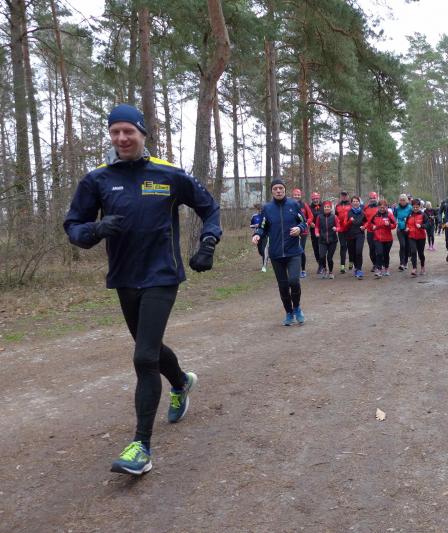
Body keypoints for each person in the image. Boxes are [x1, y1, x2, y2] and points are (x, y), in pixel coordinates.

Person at [63, 104, 221, 476]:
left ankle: (141, 447)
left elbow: (209, 207)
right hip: (124, 278)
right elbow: (73, 226)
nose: (122, 138)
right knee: (148, 348)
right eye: (115, 132)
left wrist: (208, 242)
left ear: (142, 134)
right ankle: (181, 382)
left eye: (129, 131)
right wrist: (95, 230)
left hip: (162, 275)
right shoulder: (97, 179)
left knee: (143, 357)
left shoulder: (168, 174)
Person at [252, 179, 308, 326]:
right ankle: (289, 313)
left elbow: (304, 222)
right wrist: (257, 235)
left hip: (293, 252)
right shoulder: (267, 208)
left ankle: (297, 308)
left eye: (281, 188)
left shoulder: (293, 205)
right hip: (276, 254)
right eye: (275, 188)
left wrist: (299, 228)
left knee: (294, 281)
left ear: (284, 190)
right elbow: (262, 227)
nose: (278, 191)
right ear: (272, 191)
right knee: (283, 286)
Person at [340, 195, 366, 279]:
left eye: (357, 201)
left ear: (359, 202)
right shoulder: (348, 213)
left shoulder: (362, 212)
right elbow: (344, 225)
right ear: (351, 203)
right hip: (350, 235)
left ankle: (359, 269)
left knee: (358, 251)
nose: (355, 203)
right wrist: (349, 222)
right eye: (354, 201)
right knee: (352, 253)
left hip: (360, 234)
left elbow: (367, 222)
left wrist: (364, 226)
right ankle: (356, 267)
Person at [369, 199, 397, 278]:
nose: (382, 209)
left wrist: (389, 225)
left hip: (388, 239)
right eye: (380, 207)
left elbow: (394, 225)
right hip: (377, 238)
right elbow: (369, 223)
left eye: (384, 207)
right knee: (379, 253)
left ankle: (386, 268)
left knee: (385, 254)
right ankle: (379, 269)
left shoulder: (389, 215)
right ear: (378, 207)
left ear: (386, 207)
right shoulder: (375, 215)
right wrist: (373, 226)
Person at [291, 188, 313, 278]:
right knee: (292, 250)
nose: (297, 196)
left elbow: (310, 216)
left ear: (301, 195)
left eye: (298, 195)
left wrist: (306, 224)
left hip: (302, 232)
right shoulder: (289, 204)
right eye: (295, 195)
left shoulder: (304, 205)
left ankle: (303, 270)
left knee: (301, 250)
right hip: (292, 231)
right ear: (292, 195)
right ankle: (294, 269)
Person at [314, 200, 338, 279]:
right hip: (322, 240)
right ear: (323, 208)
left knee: (329, 258)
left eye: (328, 207)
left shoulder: (334, 217)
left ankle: (331, 272)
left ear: (331, 208)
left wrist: (336, 229)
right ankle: (324, 269)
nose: (327, 208)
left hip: (332, 240)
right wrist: (317, 233)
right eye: (325, 207)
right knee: (322, 256)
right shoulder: (319, 217)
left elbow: (339, 226)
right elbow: (316, 227)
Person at [406, 198, 428, 276]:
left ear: (420, 207)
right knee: (413, 251)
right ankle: (414, 268)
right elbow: (407, 224)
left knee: (421, 253)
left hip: (421, 237)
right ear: (412, 207)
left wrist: (421, 226)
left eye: (417, 207)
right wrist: (407, 228)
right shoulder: (409, 215)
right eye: (414, 207)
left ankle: (422, 267)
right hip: (411, 236)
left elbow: (428, 225)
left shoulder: (423, 215)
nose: (415, 208)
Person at [393, 194, 412, 271]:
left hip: (408, 228)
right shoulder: (397, 208)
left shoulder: (410, 208)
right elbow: (394, 216)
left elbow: (413, 216)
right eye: (401, 200)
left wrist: (408, 221)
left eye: (404, 200)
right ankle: (401, 263)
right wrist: (395, 221)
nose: (402, 201)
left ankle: (406, 262)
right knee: (402, 245)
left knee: (407, 246)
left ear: (406, 200)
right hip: (400, 229)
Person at [363, 192, 380, 272]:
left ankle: (379, 264)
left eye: (374, 198)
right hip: (370, 231)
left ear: (376, 198)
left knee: (378, 248)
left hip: (379, 231)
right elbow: (363, 219)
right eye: (371, 198)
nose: (372, 199)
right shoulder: (366, 208)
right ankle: (374, 264)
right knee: (372, 248)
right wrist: (364, 226)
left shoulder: (380, 207)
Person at [335, 191, 351, 273]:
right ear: (341, 196)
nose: (344, 197)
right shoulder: (337, 206)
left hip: (350, 229)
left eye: (345, 195)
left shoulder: (351, 205)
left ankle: (351, 263)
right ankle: (342, 266)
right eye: (342, 195)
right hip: (341, 229)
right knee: (343, 246)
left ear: (348, 196)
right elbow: (335, 216)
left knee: (350, 247)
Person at [308, 191, 323, 274]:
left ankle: (322, 265)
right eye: (314, 199)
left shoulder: (323, 206)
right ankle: (319, 263)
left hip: (323, 230)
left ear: (319, 198)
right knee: (316, 248)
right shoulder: (309, 207)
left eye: (317, 198)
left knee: (322, 248)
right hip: (313, 231)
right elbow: (306, 217)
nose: (315, 200)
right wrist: (310, 223)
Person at [250, 202, 267, 272]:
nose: (260, 210)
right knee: (260, 251)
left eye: (261, 209)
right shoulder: (254, 216)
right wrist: (255, 225)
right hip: (257, 235)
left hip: (265, 235)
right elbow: (250, 225)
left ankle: (264, 266)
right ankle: (265, 257)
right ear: (257, 209)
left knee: (263, 250)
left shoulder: (265, 215)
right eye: (258, 209)